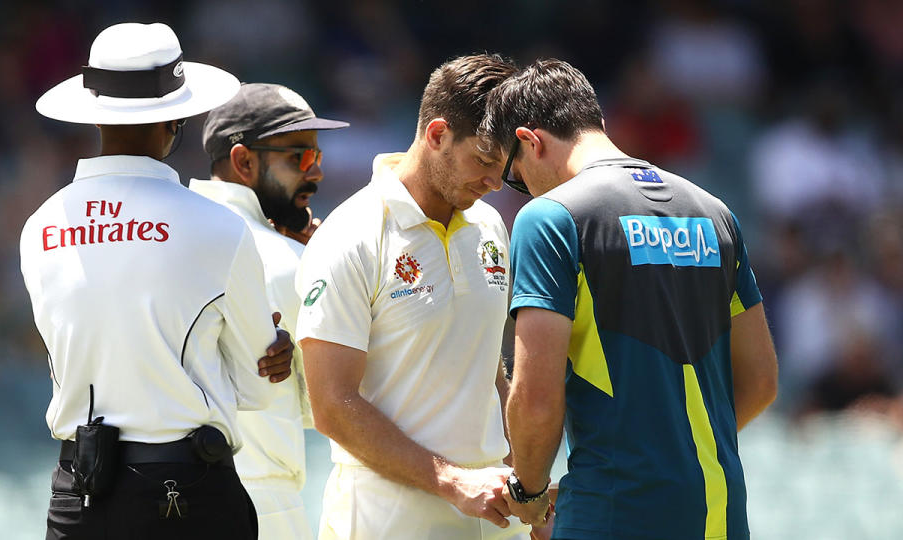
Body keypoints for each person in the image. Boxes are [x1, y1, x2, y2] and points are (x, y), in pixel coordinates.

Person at [480, 59, 778, 540]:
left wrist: (530, 494)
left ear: (531, 142)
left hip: (615, 510)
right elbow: (761, 380)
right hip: (721, 512)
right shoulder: (714, 212)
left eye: (515, 177)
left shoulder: (550, 218)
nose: (522, 191)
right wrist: (675, 450)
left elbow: (536, 398)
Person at [22, 23, 294, 539]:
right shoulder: (219, 228)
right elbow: (258, 386)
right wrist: (273, 348)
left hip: (77, 491)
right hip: (187, 493)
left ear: (94, 114)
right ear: (177, 119)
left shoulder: (39, 226)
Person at [294, 54, 531, 540]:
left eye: (503, 168)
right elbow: (332, 405)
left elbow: (488, 366)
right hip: (387, 517)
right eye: (484, 161)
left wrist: (524, 481)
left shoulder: (489, 224)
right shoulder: (351, 234)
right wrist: (451, 481)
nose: (493, 182)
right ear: (438, 134)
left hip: (493, 509)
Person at [191, 82, 349, 539]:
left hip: (158, 497)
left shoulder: (169, 235)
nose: (315, 172)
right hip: (262, 509)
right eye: (299, 156)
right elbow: (331, 405)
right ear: (243, 162)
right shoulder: (287, 260)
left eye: (317, 157)